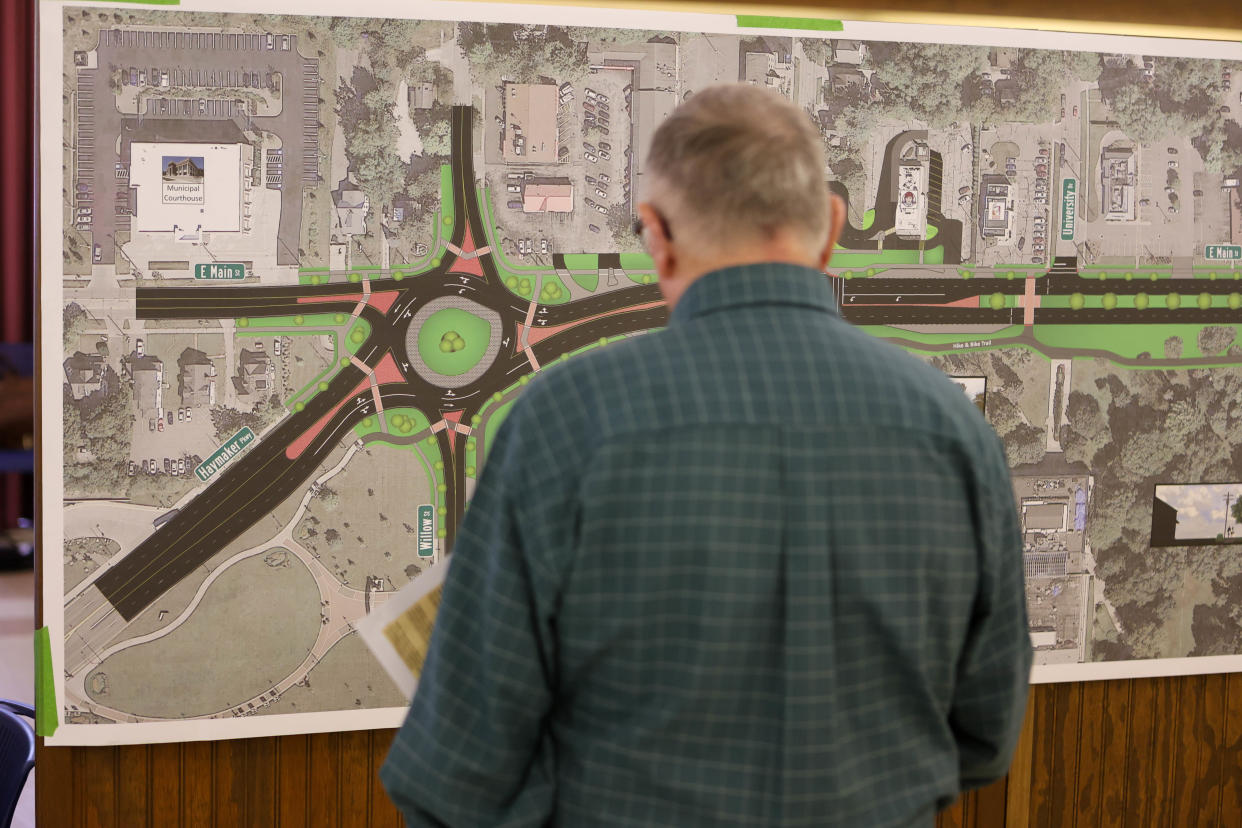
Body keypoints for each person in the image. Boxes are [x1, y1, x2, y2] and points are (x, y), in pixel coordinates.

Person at [382, 83, 1031, 827]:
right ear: (831, 226)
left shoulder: (568, 421)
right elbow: (984, 737)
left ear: (657, 233)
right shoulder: (955, 431)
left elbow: (459, 771)